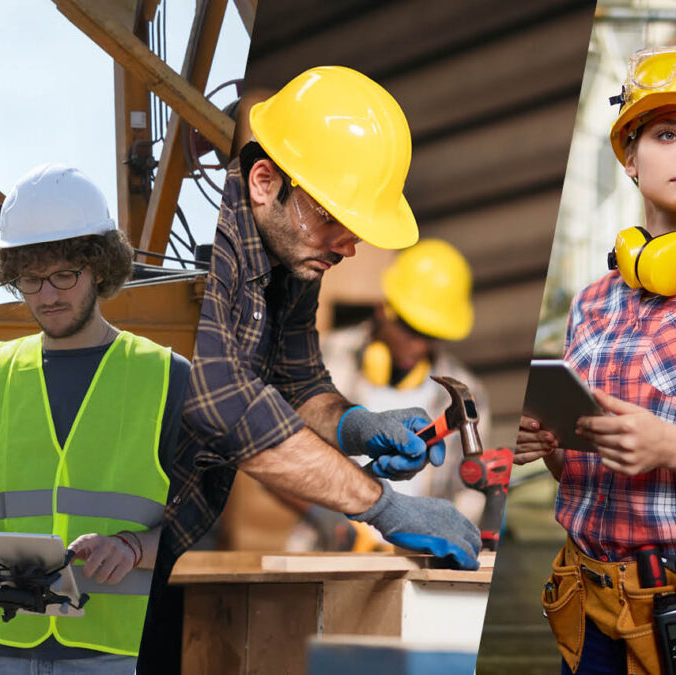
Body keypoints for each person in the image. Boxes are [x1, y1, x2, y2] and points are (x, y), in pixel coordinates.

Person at [139, 66, 483, 673]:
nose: (348, 247)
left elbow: (297, 381)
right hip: (126, 535)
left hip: (170, 541)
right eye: (331, 219)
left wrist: (358, 425)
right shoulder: (222, 251)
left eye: (355, 228)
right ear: (264, 182)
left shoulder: (294, 256)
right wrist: (382, 505)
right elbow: (222, 403)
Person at [0, 164, 191, 674]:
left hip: (116, 647)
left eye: (64, 275)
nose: (46, 295)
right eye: (30, 279)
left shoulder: (167, 377)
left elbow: (210, 524)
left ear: (100, 268)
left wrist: (135, 548)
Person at [517, 45, 676, 675]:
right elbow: (576, 470)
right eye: (668, 134)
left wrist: (668, 445)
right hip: (585, 603)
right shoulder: (592, 303)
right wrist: (548, 444)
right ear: (630, 158)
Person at [294, 239, 490, 551]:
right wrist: (323, 513)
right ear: (384, 310)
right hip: (322, 549)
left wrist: (439, 537)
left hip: (412, 559)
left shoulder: (469, 391)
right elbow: (275, 445)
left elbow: (470, 492)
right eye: (411, 330)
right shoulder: (327, 356)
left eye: (431, 336)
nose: (419, 346)